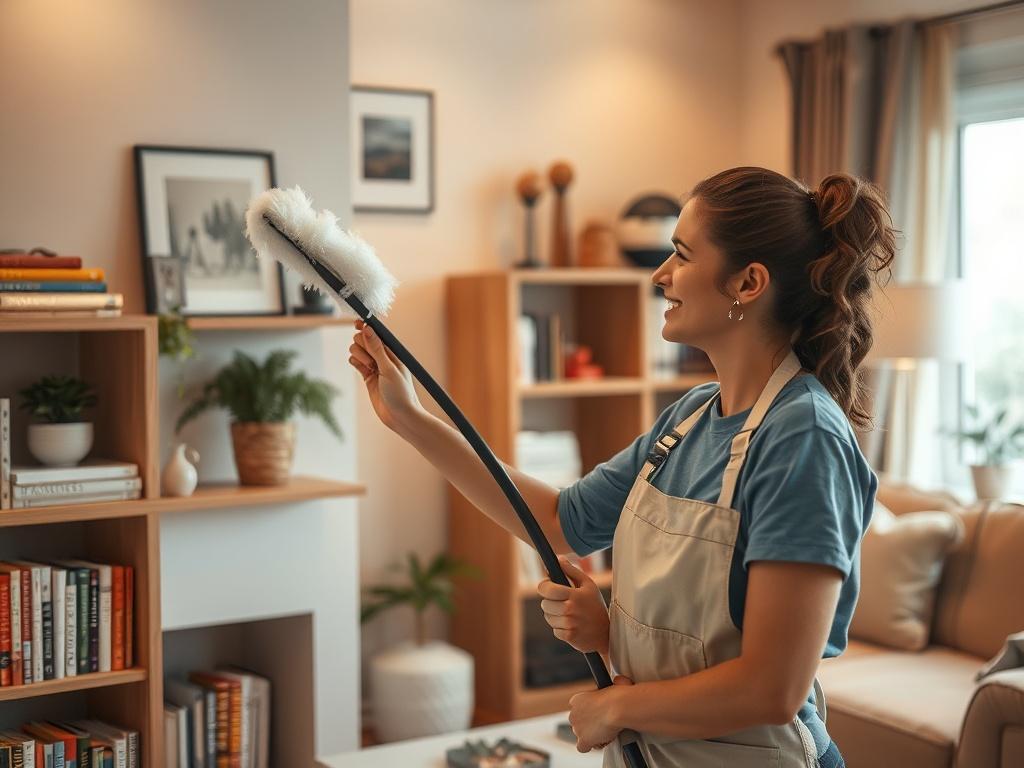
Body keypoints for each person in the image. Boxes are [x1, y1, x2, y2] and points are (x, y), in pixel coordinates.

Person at [348, 166, 895, 768]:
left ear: (748, 282)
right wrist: (408, 418)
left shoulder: (804, 439)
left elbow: (772, 688)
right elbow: (560, 519)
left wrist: (616, 708)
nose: (660, 276)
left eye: (682, 256)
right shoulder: (688, 418)